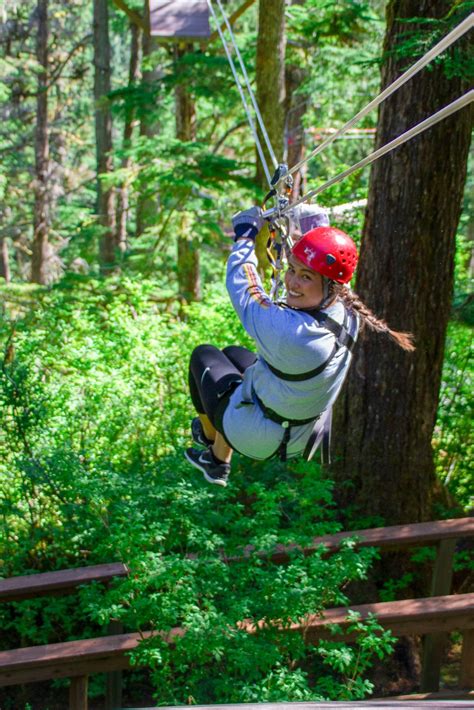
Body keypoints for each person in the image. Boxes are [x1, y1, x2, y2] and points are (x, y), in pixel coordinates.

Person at [185, 204, 414, 487]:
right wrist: (315, 224)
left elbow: (243, 286)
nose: (292, 282)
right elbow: (330, 264)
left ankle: (212, 450)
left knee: (204, 356)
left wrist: (245, 235)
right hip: (300, 429)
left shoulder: (290, 333)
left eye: (305, 276)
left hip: (258, 436)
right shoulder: (347, 310)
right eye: (291, 269)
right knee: (233, 354)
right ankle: (220, 452)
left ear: (330, 285)